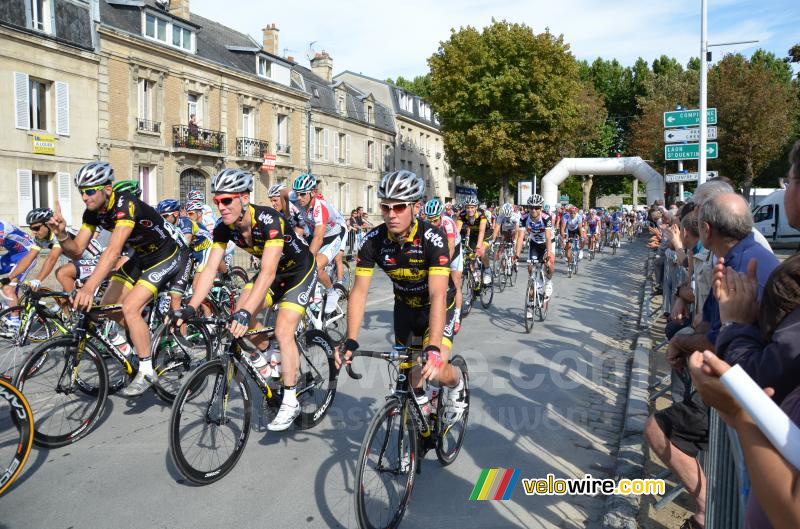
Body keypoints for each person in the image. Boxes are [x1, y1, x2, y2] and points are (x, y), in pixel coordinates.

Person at [645, 191, 779, 529]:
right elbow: (708, 322)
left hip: (750, 392)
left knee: (657, 428)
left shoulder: (737, 267)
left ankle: (707, 509)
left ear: (705, 230)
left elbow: (719, 336)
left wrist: (682, 340)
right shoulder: (742, 256)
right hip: (754, 388)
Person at [178, 168, 317, 431]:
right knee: (238, 318)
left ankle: (290, 400)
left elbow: (267, 271)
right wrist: (191, 306)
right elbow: (209, 270)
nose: (221, 207)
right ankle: (268, 357)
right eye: (217, 201)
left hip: (297, 271)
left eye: (227, 200)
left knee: (283, 329)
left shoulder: (269, 219)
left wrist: (246, 313)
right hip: (272, 274)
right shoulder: (223, 229)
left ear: (243, 197)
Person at [47, 161, 193, 397]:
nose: (85, 197)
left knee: (130, 307)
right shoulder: (92, 213)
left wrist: (89, 287)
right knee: (107, 308)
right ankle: (135, 346)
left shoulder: (126, 204)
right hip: (141, 258)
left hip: (166, 256)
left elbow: (113, 251)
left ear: (106, 188)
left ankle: (146, 370)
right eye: (81, 191)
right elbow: (76, 250)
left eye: (90, 190)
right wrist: (62, 234)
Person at [337, 170, 466, 422]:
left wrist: (433, 347)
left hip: (437, 307)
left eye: (399, 207)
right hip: (405, 309)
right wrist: (350, 339)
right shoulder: (372, 241)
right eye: (385, 207)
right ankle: (419, 425)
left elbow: (438, 294)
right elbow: (359, 292)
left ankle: (458, 385)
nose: (391, 214)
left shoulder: (433, 238)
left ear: (415, 206)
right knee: (410, 378)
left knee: (436, 370)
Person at [290, 173, 347, 312]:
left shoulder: (319, 207)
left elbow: (318, 238)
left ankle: (331, 291)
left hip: (332, 236)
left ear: (313, 193)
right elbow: (283, 193)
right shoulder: (296, 199)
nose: (299, 198)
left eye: (303, 194)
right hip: (315, 234)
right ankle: (315, 293)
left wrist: (308, 259)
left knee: (313, 265)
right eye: (297, 194)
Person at [424, 197, 464, 334]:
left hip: (454, 251)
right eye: (430, 220)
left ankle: (457, 317)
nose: (432, 223)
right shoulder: (426, 224)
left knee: (455, 281)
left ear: (441, 215)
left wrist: (445, 266)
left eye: (435, 220)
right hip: (438, 251)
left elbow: (451, 246)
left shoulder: (448, 223)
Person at [516, 194, 555, 317]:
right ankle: (530, 306)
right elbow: (521, 237)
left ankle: (548, 282)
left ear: (541, 208)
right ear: (528, 207)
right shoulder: (524, 218)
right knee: (531, 272)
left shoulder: (546, 218)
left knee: (549, 263)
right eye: (531, 207)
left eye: (537, 208)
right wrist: (516, 255)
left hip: (547, 243)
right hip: (534, 243)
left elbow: (548, 237)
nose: (534, 210)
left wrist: (548, 255)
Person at [0, 219, 39, 327]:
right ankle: (9, 307)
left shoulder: (2, 226)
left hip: (27, 254)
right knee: (9, 289)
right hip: (13, 255)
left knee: (8, 288)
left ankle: (15, 324)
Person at [457, 196, 491, 285]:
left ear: (476, 207)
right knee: (470, 258)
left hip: (485, 233)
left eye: (472, 207)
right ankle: (476, 279)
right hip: (473, 234)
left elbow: (482, 231)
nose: (469, 209)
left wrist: (478, 247)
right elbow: (457, 231)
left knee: (482, 251)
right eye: (467, 207)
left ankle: (487, 271)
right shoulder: (462, 215)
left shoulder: (481, 215)